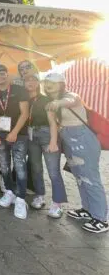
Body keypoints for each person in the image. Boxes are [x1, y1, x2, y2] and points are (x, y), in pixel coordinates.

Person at [44, 73, 108, 233]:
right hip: (68, 139)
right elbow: (53, 124)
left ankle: (101, 218)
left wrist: (59, 102)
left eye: (52, 82)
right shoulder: (49, 104)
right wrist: (53, 142)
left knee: (91, 178)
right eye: (46, 82)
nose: (47, 85)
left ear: (61, 84)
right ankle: (88, 210)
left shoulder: (70, 96)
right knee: (80, 177)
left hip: (83, 138)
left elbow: (72, 101)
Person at [0, 63, 30, 220]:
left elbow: (25, 113)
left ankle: (20, 199)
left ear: (7, 74)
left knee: (19, 166)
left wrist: (14, 132)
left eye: (2, 73)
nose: (0, 76)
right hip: (0, 133)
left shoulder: (19, 90)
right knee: (4, 166)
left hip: (19, 134)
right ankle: (9, 192)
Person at [25, 73, 67, 218]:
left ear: (38, 83)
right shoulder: (25, 100)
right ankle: (39, 195)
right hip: (32, 137)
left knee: (53, 171)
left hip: (46, 134)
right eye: (27, 80)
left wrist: (53, 141)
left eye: (33, 80)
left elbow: (52, 122)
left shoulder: (45, 99)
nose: (30, 82)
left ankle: (57, 203)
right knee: (36, 168)